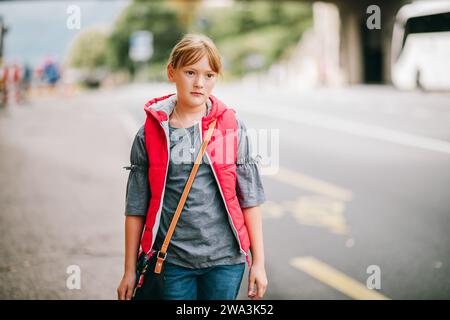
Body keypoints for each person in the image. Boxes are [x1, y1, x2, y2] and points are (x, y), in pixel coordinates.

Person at [117, 34, 268, 300]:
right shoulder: (150, 133)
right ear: (171, 72)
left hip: (225, 262)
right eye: (190, 72)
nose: (200, 83)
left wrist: (259, 262)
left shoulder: (230, 127)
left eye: (209, 75)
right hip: (171, 261)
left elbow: (249, 198)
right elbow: (136, 206)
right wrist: (129, 270)